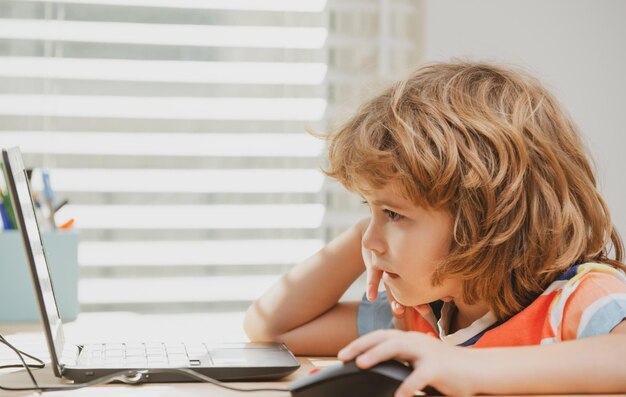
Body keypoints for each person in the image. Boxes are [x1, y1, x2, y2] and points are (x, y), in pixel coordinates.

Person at [243, 61, 626, 396]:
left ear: (483, 220)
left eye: (394, 215)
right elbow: (271, 329)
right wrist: (362, 235)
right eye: (369, 209)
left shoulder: (577, 299)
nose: (372, 242)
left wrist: (466, 368)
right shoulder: (423, 314)